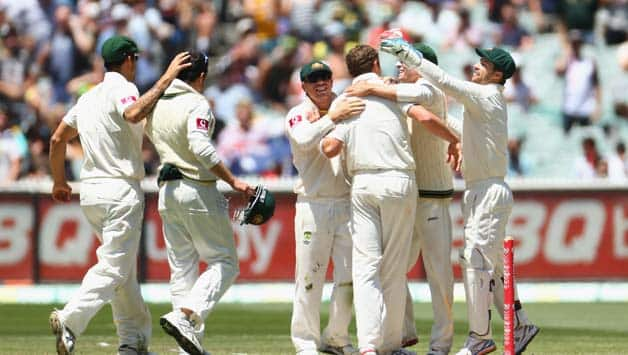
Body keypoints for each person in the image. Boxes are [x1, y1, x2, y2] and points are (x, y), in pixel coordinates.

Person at [380, 38, 540, 355]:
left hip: (489, 190)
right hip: (479, 190)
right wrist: (446, 133)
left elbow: (443, 80)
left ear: (497, 75)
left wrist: (407, 55)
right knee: (488, 264)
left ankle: (480, 337)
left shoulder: (487, 95)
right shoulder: (481, 103)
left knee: (477, 263)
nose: (477, 65)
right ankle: (520, 325)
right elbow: (456, 128)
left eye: (485, 64)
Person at [48, 35, 191, 355]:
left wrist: (59, 181)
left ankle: (133, 342)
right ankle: (71, 318)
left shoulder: (88, 97)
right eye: (136, 60)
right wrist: (166, 79)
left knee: (122, 272)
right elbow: (133, 114)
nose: (137, 66)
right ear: (128, 60)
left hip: (91, 193)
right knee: (114, 266)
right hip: (119, 190)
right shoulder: (125, 89)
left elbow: (58, 139)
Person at [320, 44, 460, 355]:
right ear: (374, 63)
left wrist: (331, 121)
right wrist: (454, 140)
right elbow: (423, 117)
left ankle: (369, 346)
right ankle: (390, 345)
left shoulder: (347, 98)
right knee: (394, 270)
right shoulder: (390, 90)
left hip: (363, 185)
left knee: (366, 268)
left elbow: (329, 148)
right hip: (398, 181)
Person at [145, 52, 255, 355]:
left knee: (182, 269)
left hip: (167, 190)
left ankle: (187, 347)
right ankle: (185, 316)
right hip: (196, 187)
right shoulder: (196, 103)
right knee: (225, 263)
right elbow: (200, 147)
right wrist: (233, 181)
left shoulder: (157, 103)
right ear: (202, 77)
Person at [285, 60, 365, 355]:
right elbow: (306, 140)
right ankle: (305, 342)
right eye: (313, 79)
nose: (320, 83)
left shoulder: (347, 105)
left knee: (349, 276)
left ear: (332, 80)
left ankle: (337, 338)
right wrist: (333, 117)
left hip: (348, 202)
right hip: (313, 204)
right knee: (309, 276)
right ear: (303, 85)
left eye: (325, 77)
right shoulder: (298, 114)